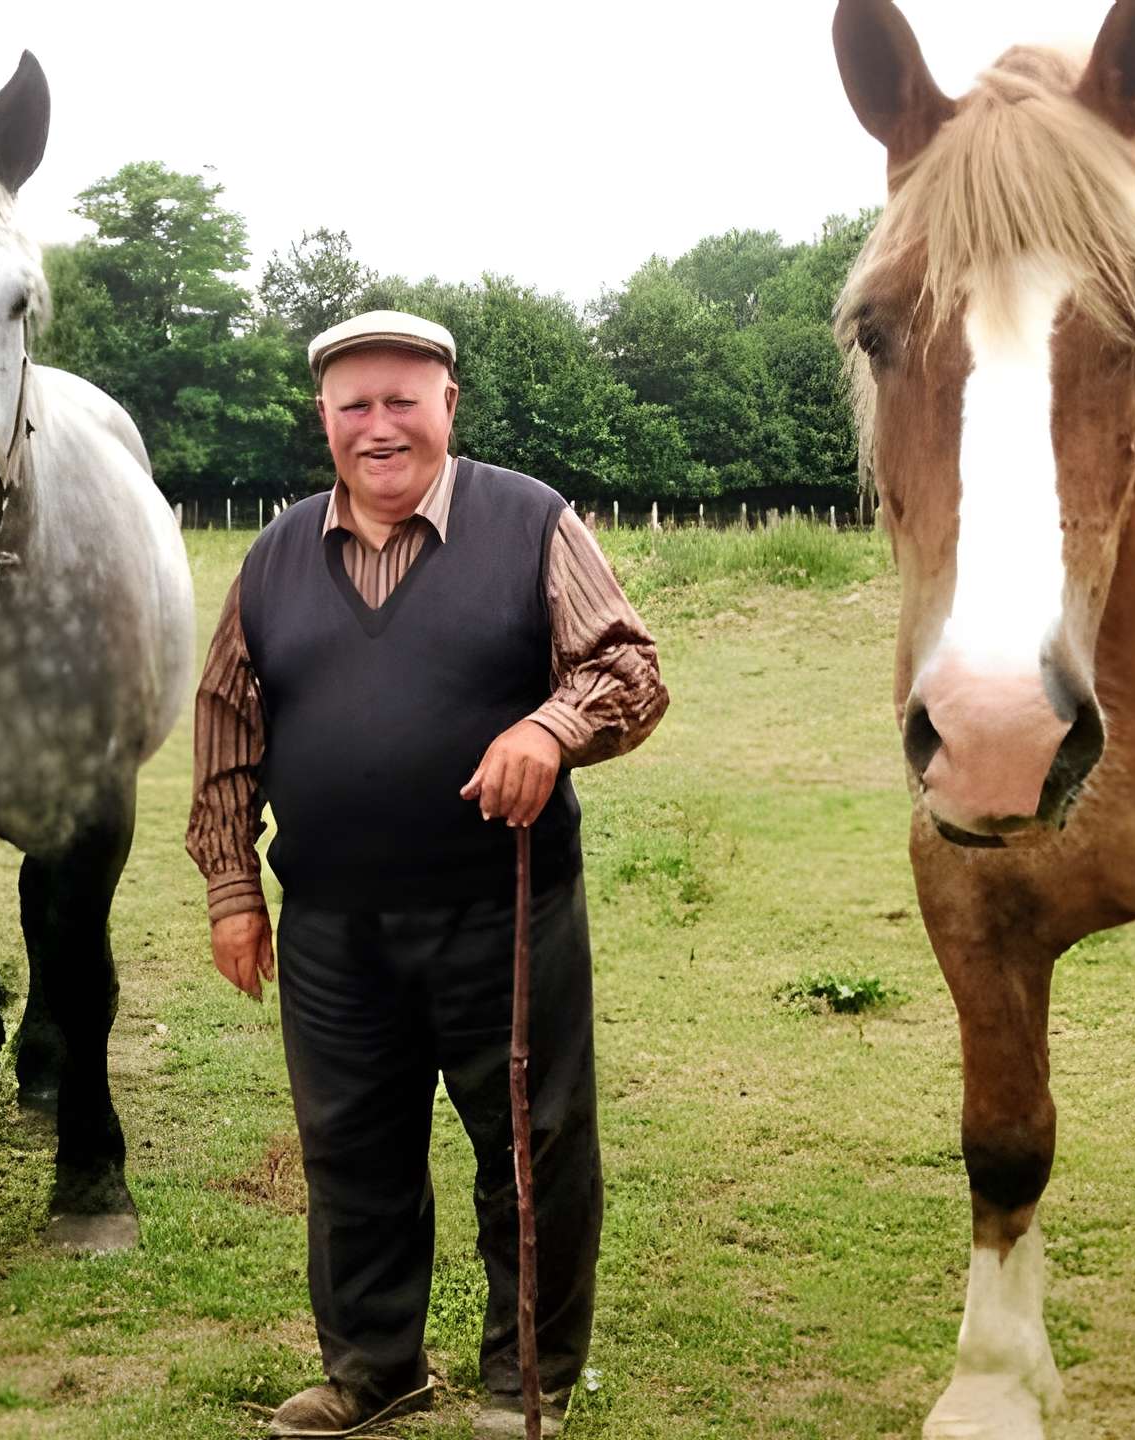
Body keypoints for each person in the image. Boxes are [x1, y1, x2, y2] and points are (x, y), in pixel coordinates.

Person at [187, 310, 669, 1436]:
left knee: (528, 1146)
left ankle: (526, 1383)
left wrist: (549, 730)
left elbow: (629, 669)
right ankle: (373, 1370)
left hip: (500, 908)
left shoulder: (531, 523)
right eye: (355, 405)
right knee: (350, 1150)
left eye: (403, 399)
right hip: (331, 928)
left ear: (448, 405)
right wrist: (230, 892)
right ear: (325, 420)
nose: (379, 425)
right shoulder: (272, 557)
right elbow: (225, 726)